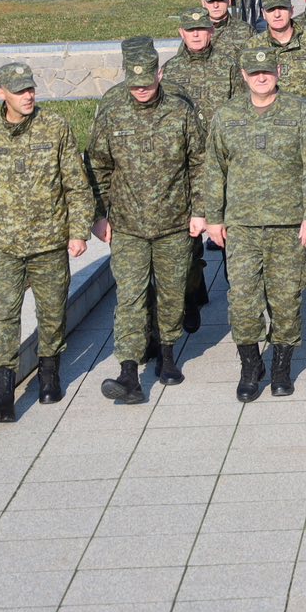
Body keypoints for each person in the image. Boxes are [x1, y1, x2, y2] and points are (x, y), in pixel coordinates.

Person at [0, 62, 95, 422]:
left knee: (51, 314)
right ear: (1, 93)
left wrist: (78, 231)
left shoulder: (55, 128)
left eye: (31, 89)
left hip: (49, 242)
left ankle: (49, 375)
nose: (28, 96)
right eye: (19, 91)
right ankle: (2, 392)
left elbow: (76, 184)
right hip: (3, 244)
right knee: (4, 316)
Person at [200, 44, 306, 401]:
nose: (261, 77)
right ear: (243, 75)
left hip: (289, 226)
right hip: (241, 226)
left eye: (267, 72)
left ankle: (282, 366)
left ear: (278, 73)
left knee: (286, 300)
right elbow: (213, 169)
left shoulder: (298, 111)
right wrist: (213, 218)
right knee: (242, 300)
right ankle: (250, 364)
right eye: (254, 72)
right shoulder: (226, 115)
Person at [90, 38, 206, 405]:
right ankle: (127, 371)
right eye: (134, 85)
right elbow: (98, 167)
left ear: (159, 74)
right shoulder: (113, 114)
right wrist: (99, 214)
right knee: (130, 297)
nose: (141, 90)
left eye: (148, 83)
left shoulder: (180, 112)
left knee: (171, 294)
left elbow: (200, 164)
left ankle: (169, 354)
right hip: (127, 225)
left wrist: (200, 210)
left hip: (174, 222)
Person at [162, 5, 233, 329]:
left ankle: (240, 296)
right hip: (185, 166)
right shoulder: (171, 71)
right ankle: (190, 295)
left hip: (222, 162)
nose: (196, 35)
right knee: (186, 240)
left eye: (201, 29)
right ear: (181, 34)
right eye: (190, 30)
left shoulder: (228, 65)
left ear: (211, 31)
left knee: (230, 232)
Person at [250, 0, 306, 92]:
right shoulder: (253, 46)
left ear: (291, 10)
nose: (277, 15)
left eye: (282, 8)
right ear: (263, 14)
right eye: (271, 10)